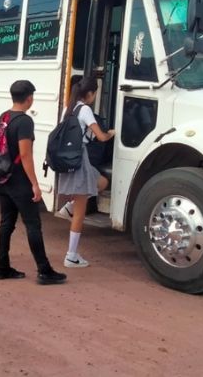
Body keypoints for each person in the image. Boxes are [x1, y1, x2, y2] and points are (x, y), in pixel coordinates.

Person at [0, 80, 66, 285]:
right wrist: (34, 183)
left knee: (6, 223)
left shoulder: (4, 117)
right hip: (19, 181)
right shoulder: (24, 121)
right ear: (29, 98)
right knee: (33, 224)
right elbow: (25, 154)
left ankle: (2, 266)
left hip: (4, 178)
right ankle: (44, 270)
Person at [55, 77, 114, 268]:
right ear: (90, 94)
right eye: (95, 93)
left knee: (100, 183)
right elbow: (101, 136)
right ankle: (71, 255)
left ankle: (70, 206)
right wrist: (111, 134)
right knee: (81, 211)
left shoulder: (68, 109)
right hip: (81, 160)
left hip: (71, 159)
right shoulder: (85, 109)